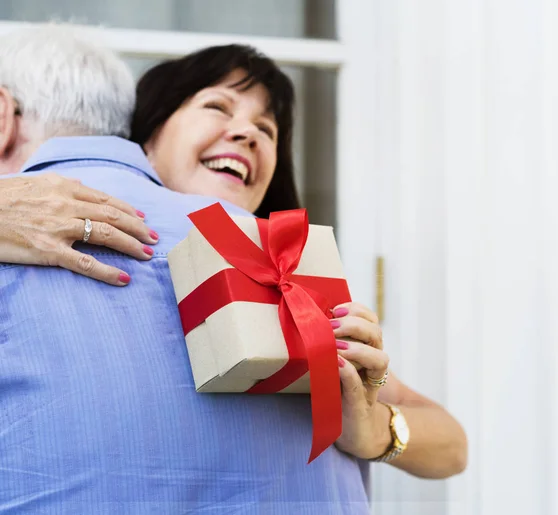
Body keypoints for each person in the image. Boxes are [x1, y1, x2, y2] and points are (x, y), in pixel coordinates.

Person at [0, 23, 466, 513]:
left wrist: (375, 430)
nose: (247, 133)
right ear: (145, 135)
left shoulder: (281, 275)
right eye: (217, 107)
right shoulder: (34, 226)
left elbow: (451, 442)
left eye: (268, 131)